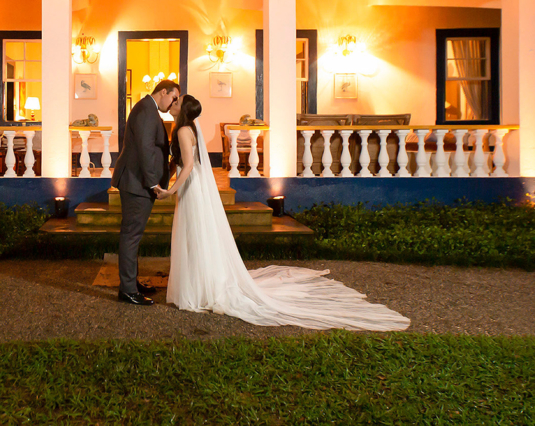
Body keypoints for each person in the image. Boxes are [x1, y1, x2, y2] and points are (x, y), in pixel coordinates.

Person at [157, 94, 411, 331]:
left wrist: (170, 191)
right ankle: (201, 283)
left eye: (177, 101)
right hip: (196, 184)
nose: (174, 103)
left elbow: (189, 164)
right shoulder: (190, 129)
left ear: (183, 110)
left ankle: (197, 287)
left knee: (195, 232)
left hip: (191, 185)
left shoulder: (182, 129)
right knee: (199, 233)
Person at [110, 79, 180, 306]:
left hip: (138, 182)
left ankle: (131, 282)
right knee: (131, 236)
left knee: (134, 236)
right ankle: (128, 290)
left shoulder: (149, 110)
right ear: (163, 92)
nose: (174, 103)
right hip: (136, 183)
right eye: (173, 97)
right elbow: (145, 149)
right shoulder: (145, 110)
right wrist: (153, 184)